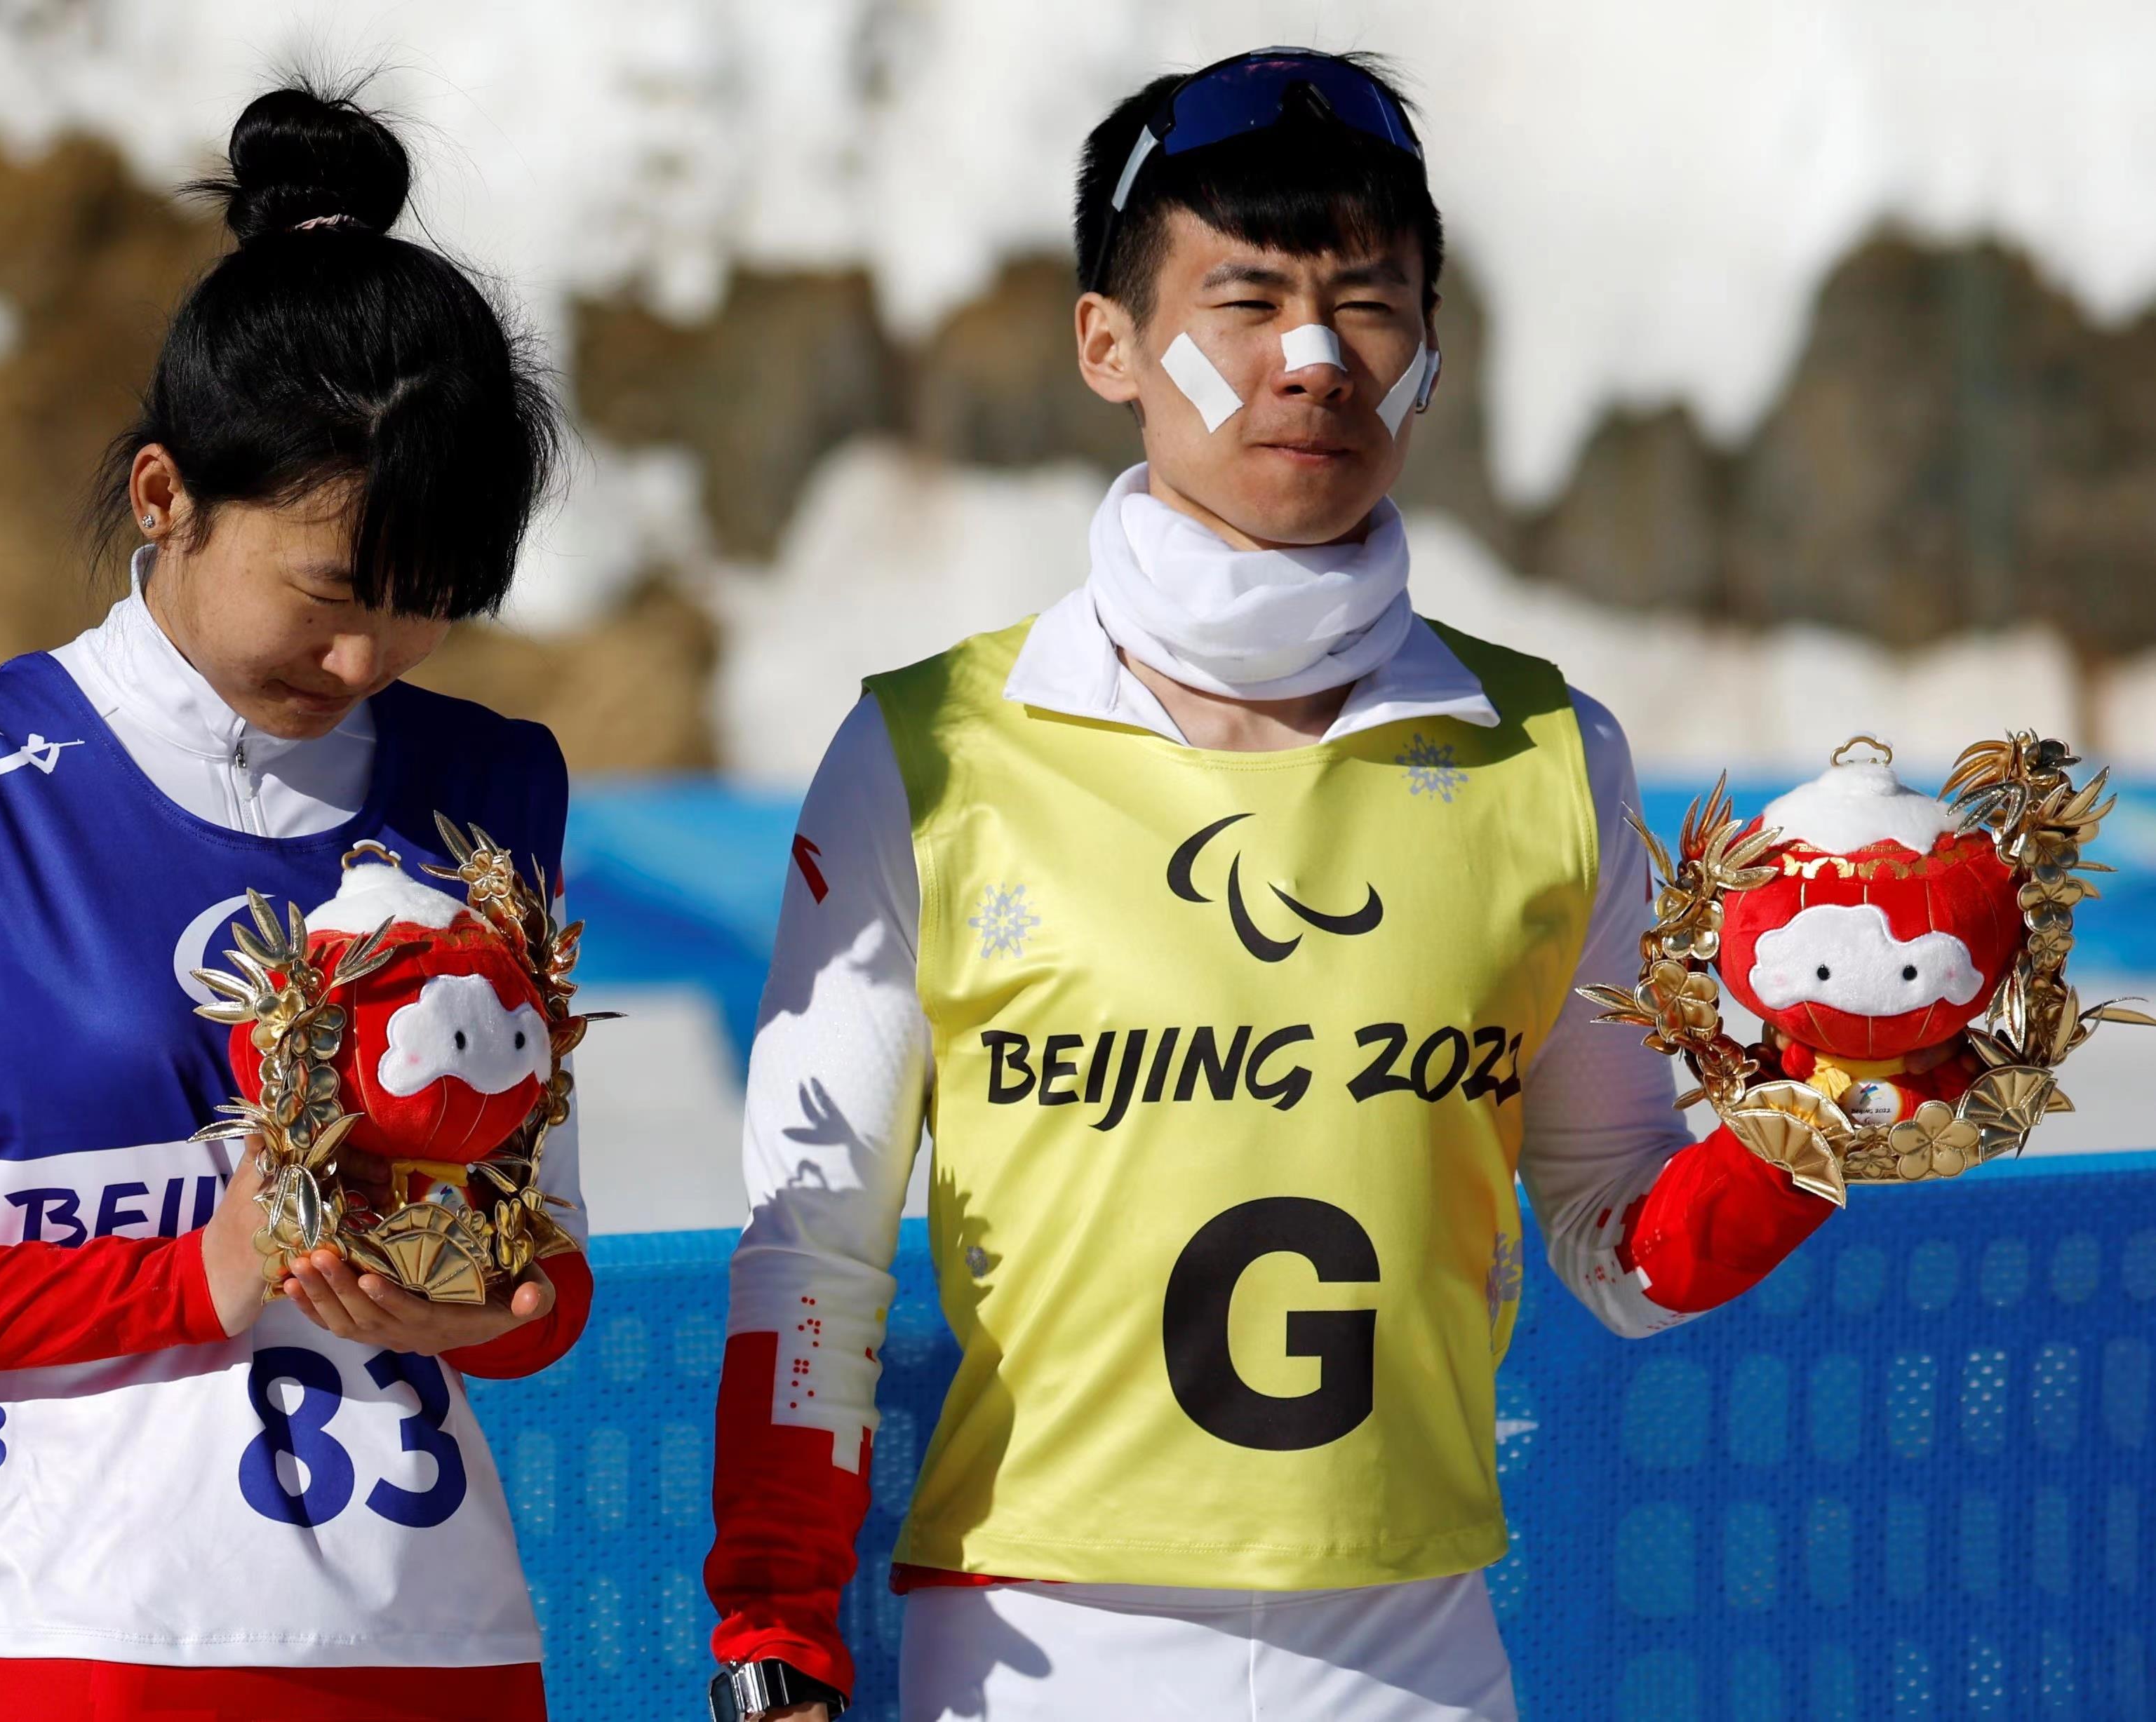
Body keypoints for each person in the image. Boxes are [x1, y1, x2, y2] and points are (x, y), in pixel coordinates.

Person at [702, 49, 1833, 1722]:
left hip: (1414, 1650)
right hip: (1031, 1650)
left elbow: (1620, 1245)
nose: (1314, 359)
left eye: (1369, 303)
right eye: (1246, 300)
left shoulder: (1550, 754)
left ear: (1432, 353)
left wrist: (1835, 1125)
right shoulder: (929, 748)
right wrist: (772, 1625)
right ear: (1108, 344)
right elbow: (815, 1246)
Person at [0, 83, 587, 1722]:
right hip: (92, 1657)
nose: (366, 656)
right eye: (328, 590)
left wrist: (471, 1308)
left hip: (452, 1654)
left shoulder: (494, 782)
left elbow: (547, 1268)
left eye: (427, 605)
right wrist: (182, 1280)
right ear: (165, 494)